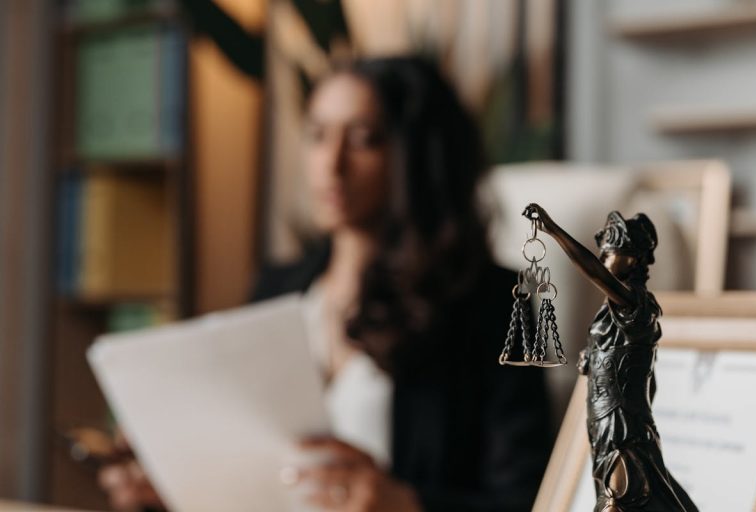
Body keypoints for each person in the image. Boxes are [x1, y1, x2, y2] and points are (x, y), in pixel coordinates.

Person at [99, 56, 552, 512]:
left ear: (413, 157)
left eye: (363, 140)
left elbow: (533, 498)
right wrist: (169, 486)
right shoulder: (277, 289)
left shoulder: (492, 304)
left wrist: (405, 504)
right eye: (317, 136)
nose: (331, 163)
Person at [523, 204, 697, 511]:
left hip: (622, 427)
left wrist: (552, 229)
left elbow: (593, 270)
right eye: (602, 253)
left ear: (635, 259)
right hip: (604, 424)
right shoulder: (611, 312)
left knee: (617, 500)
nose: (604, 259)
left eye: (609, 253)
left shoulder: (636, 306)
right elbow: (645, 372)